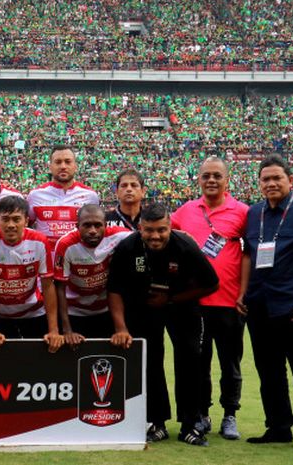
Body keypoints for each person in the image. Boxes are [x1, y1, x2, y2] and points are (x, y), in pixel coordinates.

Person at [108, 203, 219, 446]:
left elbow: (211, 283)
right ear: (140, 228)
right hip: (145, 309)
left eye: (161, 230)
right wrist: (121, 327)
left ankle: (191, 425)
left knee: (189, 361)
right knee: (150, 363)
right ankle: (156, 423)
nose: (155, 236)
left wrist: (170, 299)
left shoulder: (185, 246)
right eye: (149, 230)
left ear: (170, 227)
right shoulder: (128, 247)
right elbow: (114, 288)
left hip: (183, 309)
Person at [238, 155, 293, 452]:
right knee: (269, 371)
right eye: (265, 179)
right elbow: (248, 254)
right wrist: (243, 293)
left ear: (290, 181)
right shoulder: (254, 212)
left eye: (276, 178)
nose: (271, 184)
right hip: (260, 305)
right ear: (259, 183)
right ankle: (278, 426)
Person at [171, 157, 249, 440]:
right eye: (206, 176)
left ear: (227, 180)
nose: (211, 180)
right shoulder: (186, 210)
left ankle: (230, 415)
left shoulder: (242, 212)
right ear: (199, 180)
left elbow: (250, 254)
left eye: (217, 176)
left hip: (230, 303)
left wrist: (244, 291)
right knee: (199, 365)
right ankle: (202, 414)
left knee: (231, 364)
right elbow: (166, 238)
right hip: (196, 304)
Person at [0, 196, 63, 353]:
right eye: (5, 219)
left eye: (16, 219)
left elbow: (48, 285)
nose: (11, 225)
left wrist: (54, 330)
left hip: (33, 312)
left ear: (27, 220)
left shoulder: (39, 241)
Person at [54, 205, 131, 344]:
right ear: (77, 226)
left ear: (106, 225)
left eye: (97, 225)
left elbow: (144, 236)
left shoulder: (120, 235)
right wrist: (67, 331)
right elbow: (60, 287)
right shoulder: (65, 245)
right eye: (87, 225)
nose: (93, 231)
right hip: (74, 311)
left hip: (106, 310)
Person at [27, 145, 99, 249]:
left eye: (68, 161)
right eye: (58, 162)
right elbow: (25, 226)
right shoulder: (35, 195)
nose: (63, 166)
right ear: (50, 167)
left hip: (77, 261)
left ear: (75, 166)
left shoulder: (91, 196)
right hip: (46, 262)